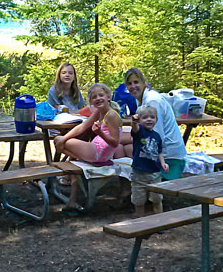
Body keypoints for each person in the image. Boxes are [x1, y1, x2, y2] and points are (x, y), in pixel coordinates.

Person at [54, 83, 125, 214]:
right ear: (90, 102)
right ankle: (72, 201)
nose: (98, 98)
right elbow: (83, 126)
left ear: (108, 97)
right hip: (97, 152)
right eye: (94, 97)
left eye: (101, 95)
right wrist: (65, 139)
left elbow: (115, 143)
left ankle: (67, 189)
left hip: (98, 153)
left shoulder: (111, 115)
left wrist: (100, 133)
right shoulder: (100, 112)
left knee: (58, 140)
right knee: (69, 155)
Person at [122, 67, 187, 180]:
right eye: (129, 83)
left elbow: (155, 135)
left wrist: (118, 138)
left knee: (124, 147)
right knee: (124, 147)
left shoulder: (152, 101)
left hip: (168, 154)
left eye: (136, 82)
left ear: (144, 82)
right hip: (159, 146)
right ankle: (131, 186)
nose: (133, 86)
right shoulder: (141, 99)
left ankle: (141, 185)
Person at [130, 105, 169, 216]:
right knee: (139, 200)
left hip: (154, 173)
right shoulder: (139, 132)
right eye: (145, 117)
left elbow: (159, 152)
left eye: (152, 117)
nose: (149, 119)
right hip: (139, 173)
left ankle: (159, 221)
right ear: (140, 120)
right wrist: (134, 122)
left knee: (157, 199)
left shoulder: (157, 136)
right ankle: (140, 221)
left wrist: (163, 163)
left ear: (156, 119)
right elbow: (135, 129)